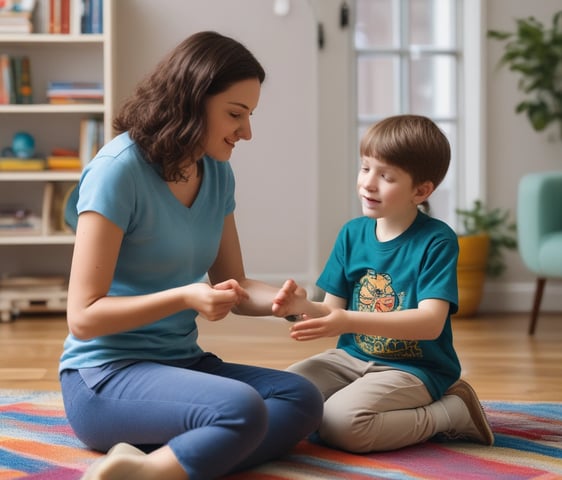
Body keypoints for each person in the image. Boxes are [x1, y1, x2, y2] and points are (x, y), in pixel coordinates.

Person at [59, 31, 323, 480]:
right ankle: (157, 470)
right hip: (104, 377)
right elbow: (83, 316)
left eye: (250, 115)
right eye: (235, 114)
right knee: (242, 408)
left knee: (301, 397)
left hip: (181, 365)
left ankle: (177, 455)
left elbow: (234, 284)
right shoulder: (117, 171)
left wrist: (286, 304)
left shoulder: (217, 173)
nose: (247, 132)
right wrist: (183, 297)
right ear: (190, 101)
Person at [272, 114, 494, 453]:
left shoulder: (437, 240)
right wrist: (300, 308)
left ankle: (451, 413)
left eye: (385, 176)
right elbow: (331, 312)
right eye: (365, 169)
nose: (368, 183)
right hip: (350, 358)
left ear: (421, 191)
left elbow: (430, 323)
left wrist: (346, 320)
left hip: (415, 368)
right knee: (284, 394)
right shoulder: (351, 234)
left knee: (341, 425)